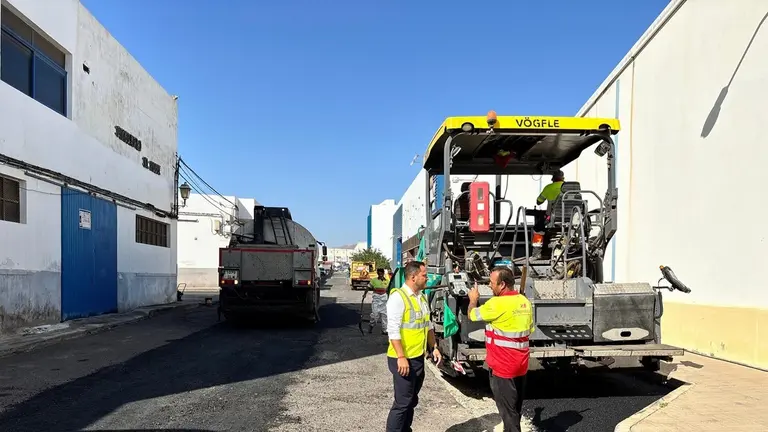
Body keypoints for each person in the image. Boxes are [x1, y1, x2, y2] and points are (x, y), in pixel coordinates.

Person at [468, 266, 534, 432]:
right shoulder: (524, 302)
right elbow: (529, 330)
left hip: (502, 367)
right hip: (521, 365)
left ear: (502, 284)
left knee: (508, 414)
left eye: (492, 283)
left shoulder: (496, 304)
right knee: (515, 409)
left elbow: (472, 315)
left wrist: (473, 299)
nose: (490, 286)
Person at [385, 260, 442, 432]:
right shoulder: (398, 297)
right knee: (402, 403)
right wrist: (401, 357)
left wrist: (434, 347)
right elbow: (393, 330)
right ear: (412, 277)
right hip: (402, 359)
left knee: (412, 400)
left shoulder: (421, 298)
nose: (427, 278)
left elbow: (428, 325)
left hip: (417, 357)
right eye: (424, 275)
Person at [532, 170, 565, 257]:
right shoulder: (570, 188)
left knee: (537, 229)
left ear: (553, 179)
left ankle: (537, 253)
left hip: (552, 218)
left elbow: (539, 202)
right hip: (571, 219)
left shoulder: (549, 187)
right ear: (563, 178)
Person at [369, 268, 389, 335]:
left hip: (384, 300)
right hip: (376, 300)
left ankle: (384, 330)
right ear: (377, 273)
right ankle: (371, 325)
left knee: (385, 316)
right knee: (375, 315)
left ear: (383, 273)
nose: (380, 275)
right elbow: (368, 287)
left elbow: (389, 290)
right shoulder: (374, 280)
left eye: (381, 273)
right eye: (379, 273)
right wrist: (364, 294)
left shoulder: (387, 281)